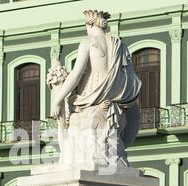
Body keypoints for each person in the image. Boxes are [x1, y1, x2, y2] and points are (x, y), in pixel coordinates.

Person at [50, 10, 142, 168]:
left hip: (92, 93)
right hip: (113, 97)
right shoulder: (119, 44)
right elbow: (129, 75)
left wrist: (57, 100)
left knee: (73, 121)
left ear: (90, 24)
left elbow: (77, 74)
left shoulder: (88, 42)